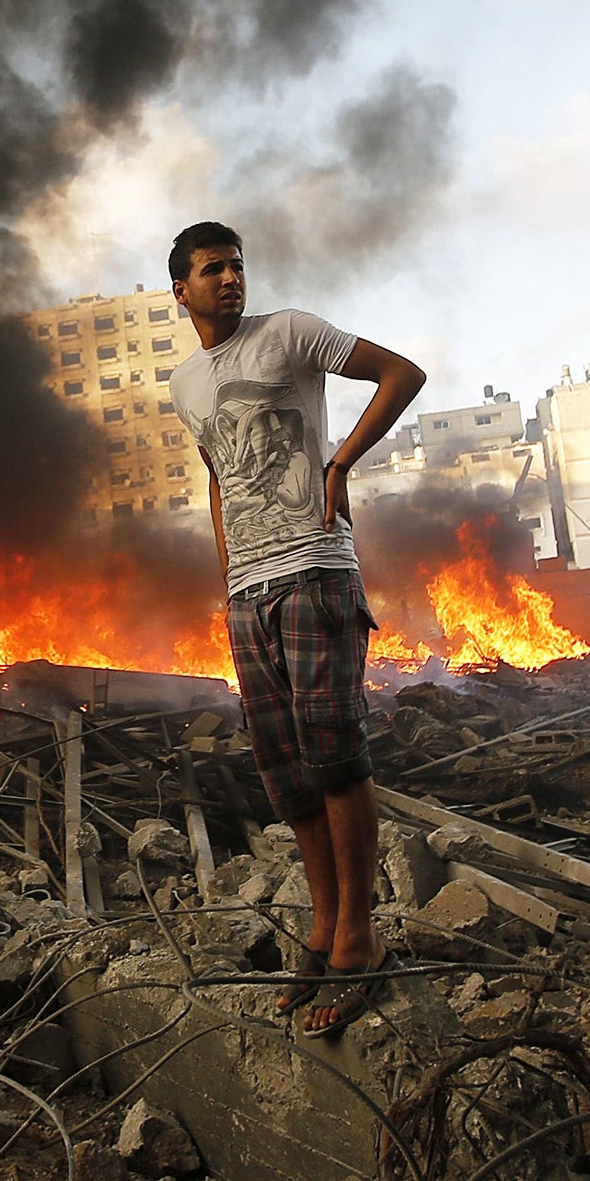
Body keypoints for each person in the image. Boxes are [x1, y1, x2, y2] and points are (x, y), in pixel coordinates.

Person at [166, 220, 425, 1037]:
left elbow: (400, 375)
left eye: (237, 266)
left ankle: (359, 941)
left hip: (316, 571)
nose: (230, 279)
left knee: (336, 756)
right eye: (212, 270)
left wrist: (339, 463)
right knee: (285, 773)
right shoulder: (184, 383)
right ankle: (321, 927)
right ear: (181, 290)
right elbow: (218, 475)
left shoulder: (292, 333)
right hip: (249, 593)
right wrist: (226, 570)